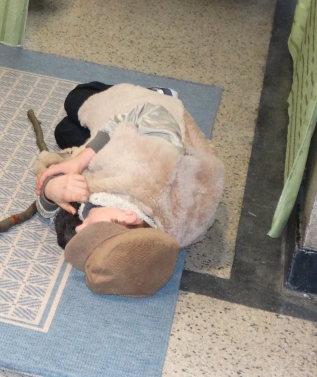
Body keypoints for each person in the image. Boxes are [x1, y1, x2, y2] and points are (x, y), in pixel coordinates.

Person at [33, 81, 224, 297]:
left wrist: (51, 191)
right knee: (75, 98)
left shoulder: (99, 220)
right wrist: (81, 160)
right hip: (141, 118)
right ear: (129, 216)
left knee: (63, 132)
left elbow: (49, 203)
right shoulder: (159, 170)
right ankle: (158, 91)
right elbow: (149, 112)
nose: (79, 229)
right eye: (90, 228)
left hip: (111, 158)